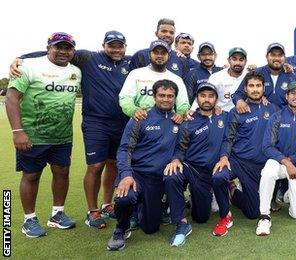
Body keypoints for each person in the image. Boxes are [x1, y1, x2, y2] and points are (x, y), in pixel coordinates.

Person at [9, 30, 132, 229]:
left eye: (120, 45)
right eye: (112, 45)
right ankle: (91, 212)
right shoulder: (89, 58)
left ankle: (106, 205)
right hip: (94, 123)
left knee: (111, 165)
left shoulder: (130, 61)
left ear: (125, 47)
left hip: (114, 124)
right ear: (103, 45)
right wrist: (19, 58)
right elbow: (50, 54)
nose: (116, 49)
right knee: (95, 166)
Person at [6, 32, 81, 238]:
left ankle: (57, 215)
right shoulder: (29, 66)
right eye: (59, 47)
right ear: (49, 47)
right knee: (31, 175)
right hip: (32, 135)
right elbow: (12, 99)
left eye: (68, 48)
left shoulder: (76, 71)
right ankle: (29, 219)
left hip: (62, 136)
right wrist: (18, 131)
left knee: (62, 172)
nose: (64, 51)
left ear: (73, 51)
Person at [106, 79, 181, 251]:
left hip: (157, 179)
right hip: (136, 174)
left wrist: (176, 159)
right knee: (125, 197)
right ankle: (121, 228)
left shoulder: (178, 121)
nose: (166, 99)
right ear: (154, 96)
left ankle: (141, 208)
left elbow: (180, 148)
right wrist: (126, 174)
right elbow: (124, 149)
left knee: (150, 228)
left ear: (175, 98)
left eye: (170, 96)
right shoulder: (140, 118)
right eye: (162, 95)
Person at [212, 72, 279, 236]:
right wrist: (224, 157)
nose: (255, 89)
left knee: (253, 213)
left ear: (264, 88)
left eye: (258, 86)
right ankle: (225, 214)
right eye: (251, 86)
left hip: (260, 166)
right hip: (238, 161)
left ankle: (233, 191)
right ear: (246, 89)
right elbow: (228, 138)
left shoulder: (274, 109)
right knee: (218, 176)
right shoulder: (236, 111)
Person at [163, 83, 228, 246]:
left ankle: (195, 197)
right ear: (197, 98)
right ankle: (181, 223)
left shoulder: (225, 116)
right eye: (203, 95)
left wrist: (224, 157)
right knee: (172, 174)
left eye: (211, 96)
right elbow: (181, 147)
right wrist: (176, 159)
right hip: (190, 168)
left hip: (208, 174)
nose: (207, 99)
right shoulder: (188, 121)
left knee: (202, 218)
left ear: (216, 99)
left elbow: (228, 139)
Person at [256, 81, 296, 235]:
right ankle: (264, 216)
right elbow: (267, 146)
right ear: (286, 96)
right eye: (293, 93)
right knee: (268, 172)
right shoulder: (276, 117)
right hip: (279, 163)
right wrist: (285, 161)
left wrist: (292, 160)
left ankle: (288, 194)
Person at [119, 40, 190, 123]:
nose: (159, 56)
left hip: (168, 124)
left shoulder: (176, 79)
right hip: (140, 122)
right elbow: (125, 98)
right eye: (156, 52)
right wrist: (134, 110)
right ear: (149, 55)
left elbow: (183, 104)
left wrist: (181, 114)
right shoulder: (135, 74)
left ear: (169, 56)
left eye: (163, 53)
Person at [233, 42, 296, 112]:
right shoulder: (255, 73)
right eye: (273, 55)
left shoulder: (292, 77)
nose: (276, 58)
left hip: (283, 119)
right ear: (266, 56)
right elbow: (238, 94)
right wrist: (239, 101)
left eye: (280, 55)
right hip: (259, 119)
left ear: (285, 58)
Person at [199, 47, 247, 112]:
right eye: (234, 59)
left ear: (245, 62)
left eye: (241, 60)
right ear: (229, 60)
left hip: (244, 114)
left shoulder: (249, 76)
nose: (237, 63)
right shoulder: (216, 77)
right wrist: (192, 110)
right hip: (221, 115)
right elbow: (204, 95)